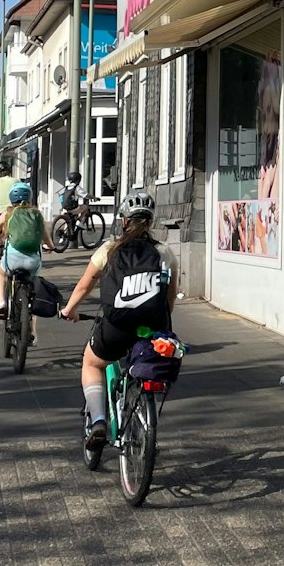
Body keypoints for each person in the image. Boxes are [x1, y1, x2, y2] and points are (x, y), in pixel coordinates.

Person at [61, 191, 178, 448]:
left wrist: (69, 310)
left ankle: (98, 421)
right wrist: (161, 325)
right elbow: (169, 298)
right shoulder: (164, 253)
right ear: (150, 221)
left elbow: (84, 285)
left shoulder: (109, 249)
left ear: (124, 221)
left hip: (116, 327)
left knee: (92, 363)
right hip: (151, 328)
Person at [0, 180, 54, 325]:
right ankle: (32, 331)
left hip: (12, 260)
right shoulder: (37, 215)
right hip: (33, 263)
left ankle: (1, 302)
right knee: (32, 294)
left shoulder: (7, 214)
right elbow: (47, 240)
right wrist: (50, 247)